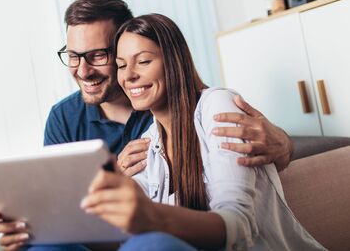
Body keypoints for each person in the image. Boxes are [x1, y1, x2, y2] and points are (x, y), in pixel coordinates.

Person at [0, 0, 294, 250]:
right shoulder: (141, 137)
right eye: (73, 56)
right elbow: (86, 220)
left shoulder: (192, 109)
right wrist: (28, 223)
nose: (83, 71)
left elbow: (237, 204)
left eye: (97, 55)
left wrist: (285, 144)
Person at [79, 13, 324, 250]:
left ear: (174, 61)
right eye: (121, 66)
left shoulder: (217, 107)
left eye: (143, 61)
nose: (129, 75)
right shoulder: (148, 143)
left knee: (151, 243)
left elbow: (240, 225)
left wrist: (153, 216)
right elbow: (120, 234)